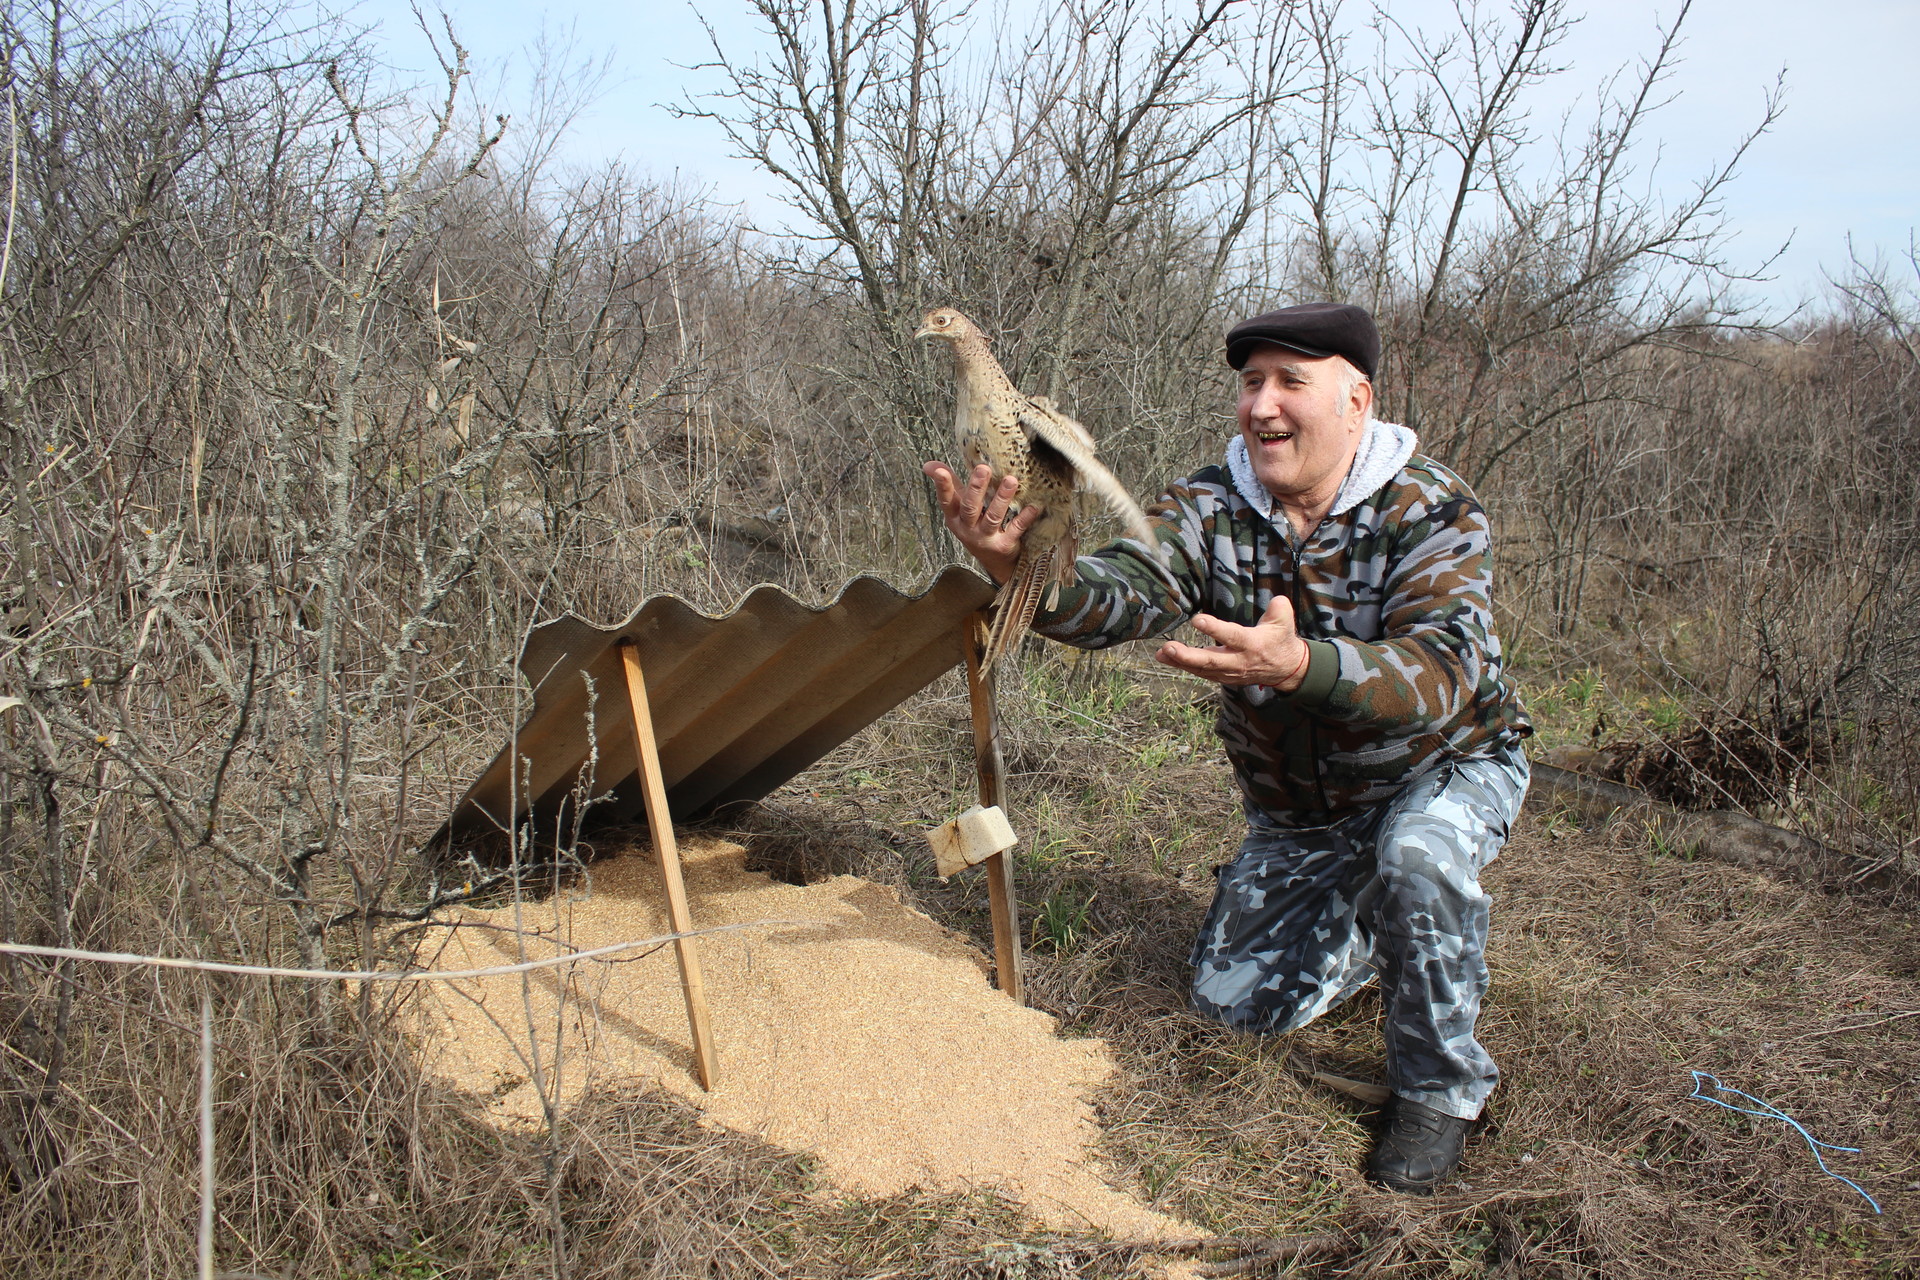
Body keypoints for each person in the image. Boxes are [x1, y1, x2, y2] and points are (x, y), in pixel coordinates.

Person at [922, 302, 1532, 1193]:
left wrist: (1301, 666)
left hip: (1443, 769)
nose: (1263, 406)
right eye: (1252, 383)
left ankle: (1440, 1089)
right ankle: (1367, 917)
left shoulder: (1430, 508)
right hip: (1303, 816)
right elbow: (1125, 591)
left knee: (1420, 853)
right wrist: (1025, 573)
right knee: (1231, 1006)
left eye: (1293, 381)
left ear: (1356, 399)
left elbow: (1442, 672)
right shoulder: (1213, 505)